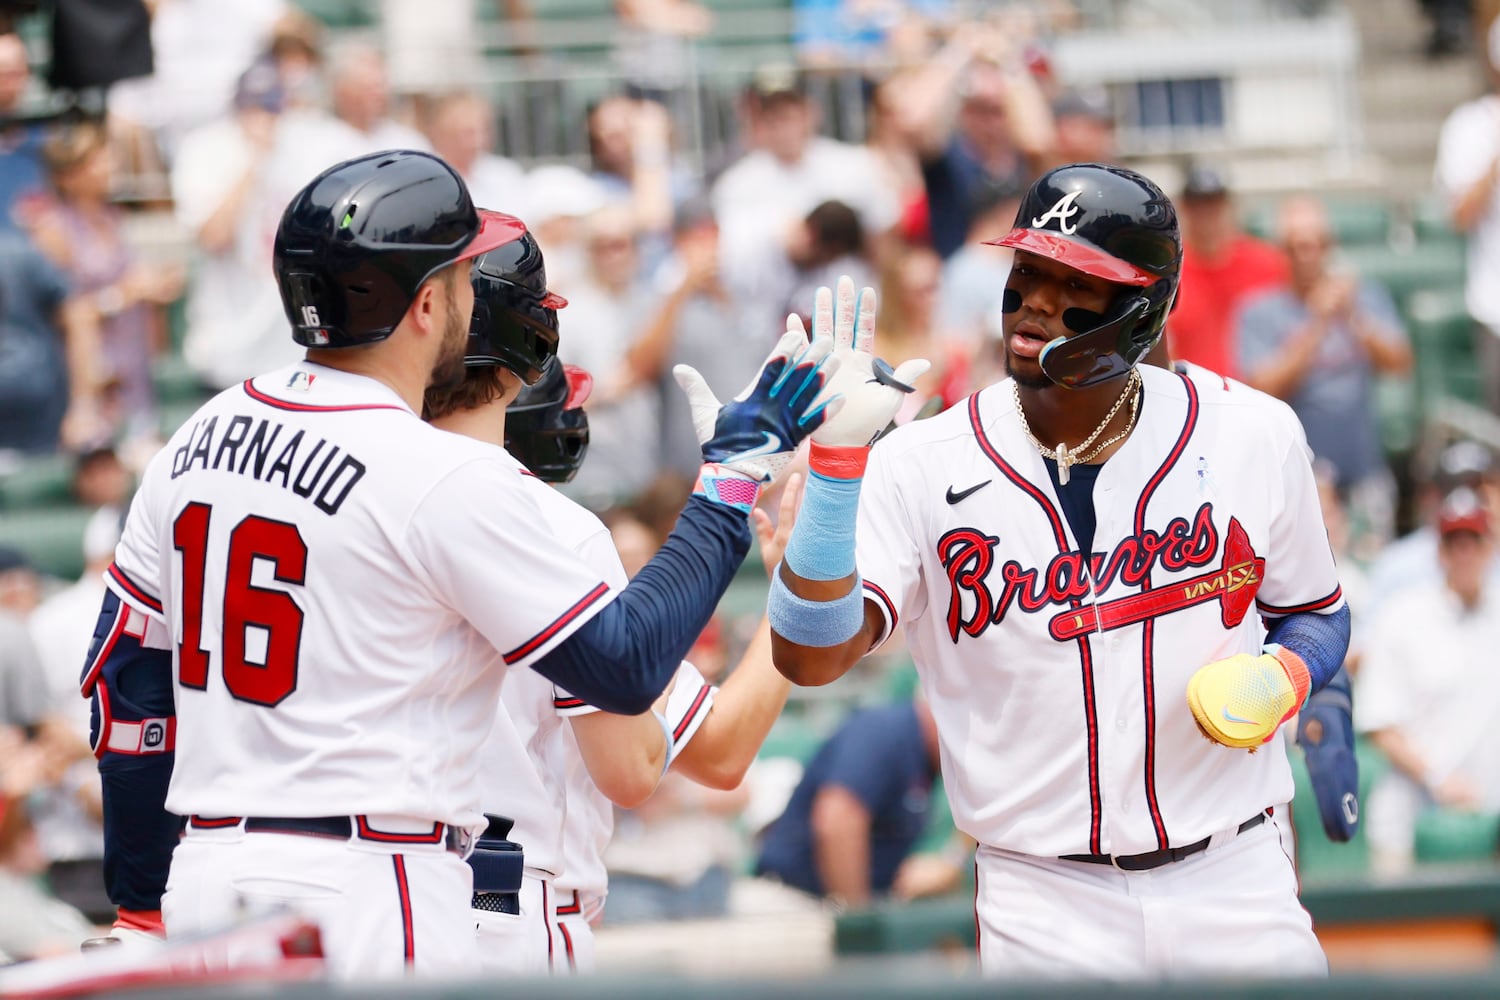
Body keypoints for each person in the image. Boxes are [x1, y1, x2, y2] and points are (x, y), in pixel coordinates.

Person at [81, 150, 841, 979]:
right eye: (465, 276)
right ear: (428, 302)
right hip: (368, 887)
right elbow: (623, 669)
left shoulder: (199, 435)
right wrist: (731, 480)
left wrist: (140, 903)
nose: (473, 297)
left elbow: (128, 695)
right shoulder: (440, 474)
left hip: (208, 880)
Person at [767, 163, 1351, 979]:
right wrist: (833, 474)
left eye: (1075, 280)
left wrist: (1287, 674)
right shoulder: (920, 463)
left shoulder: (1252, 433)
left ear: (1143, 308)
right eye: (1027, 271)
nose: (1037, 300)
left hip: (1236, 874)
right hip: (1043, 900)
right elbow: (809, 655)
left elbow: (1319, 612)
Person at [423, 224, 814, 971]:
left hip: (372, 895)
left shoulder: (362, 493)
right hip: (506, 911)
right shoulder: (554, 532)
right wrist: (793, 580)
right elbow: (660, 765)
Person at [1236, 196, 1413, 556]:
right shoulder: (1259, 311)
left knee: (1373, 570)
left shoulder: (1363, 297)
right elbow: (1263, 387)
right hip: (1301, 481)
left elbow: (1400, 362)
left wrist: (1354, 318)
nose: (1308, 255)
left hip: (1364, 472)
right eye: (1297, 247)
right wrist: (1316, 324)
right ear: (1281, 252)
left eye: (1317, 245)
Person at [1358, 486, 1500, 875]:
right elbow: (1380, 724)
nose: (1464, 553)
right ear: (1439, 550)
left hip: (1490, 826)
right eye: (1455, 542)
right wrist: (1440, 778)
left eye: (1474, 541)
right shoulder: (1403, 616)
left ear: (1490, 546)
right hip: (1411, 826)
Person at [754, 696, 944, 906]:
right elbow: (838, 818)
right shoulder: (884, 730)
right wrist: (857, 921)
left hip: (836, 903)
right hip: (795, 901)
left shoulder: (930, 757)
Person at [1166, 164, 1288, 381]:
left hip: (1257, 395)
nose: (1206, 215)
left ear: (1229, 207)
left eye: (1214, 205)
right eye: (1198, 206)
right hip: (1193, 396)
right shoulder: (1169, 269)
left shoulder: (1267, 263)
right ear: (1184, 209)